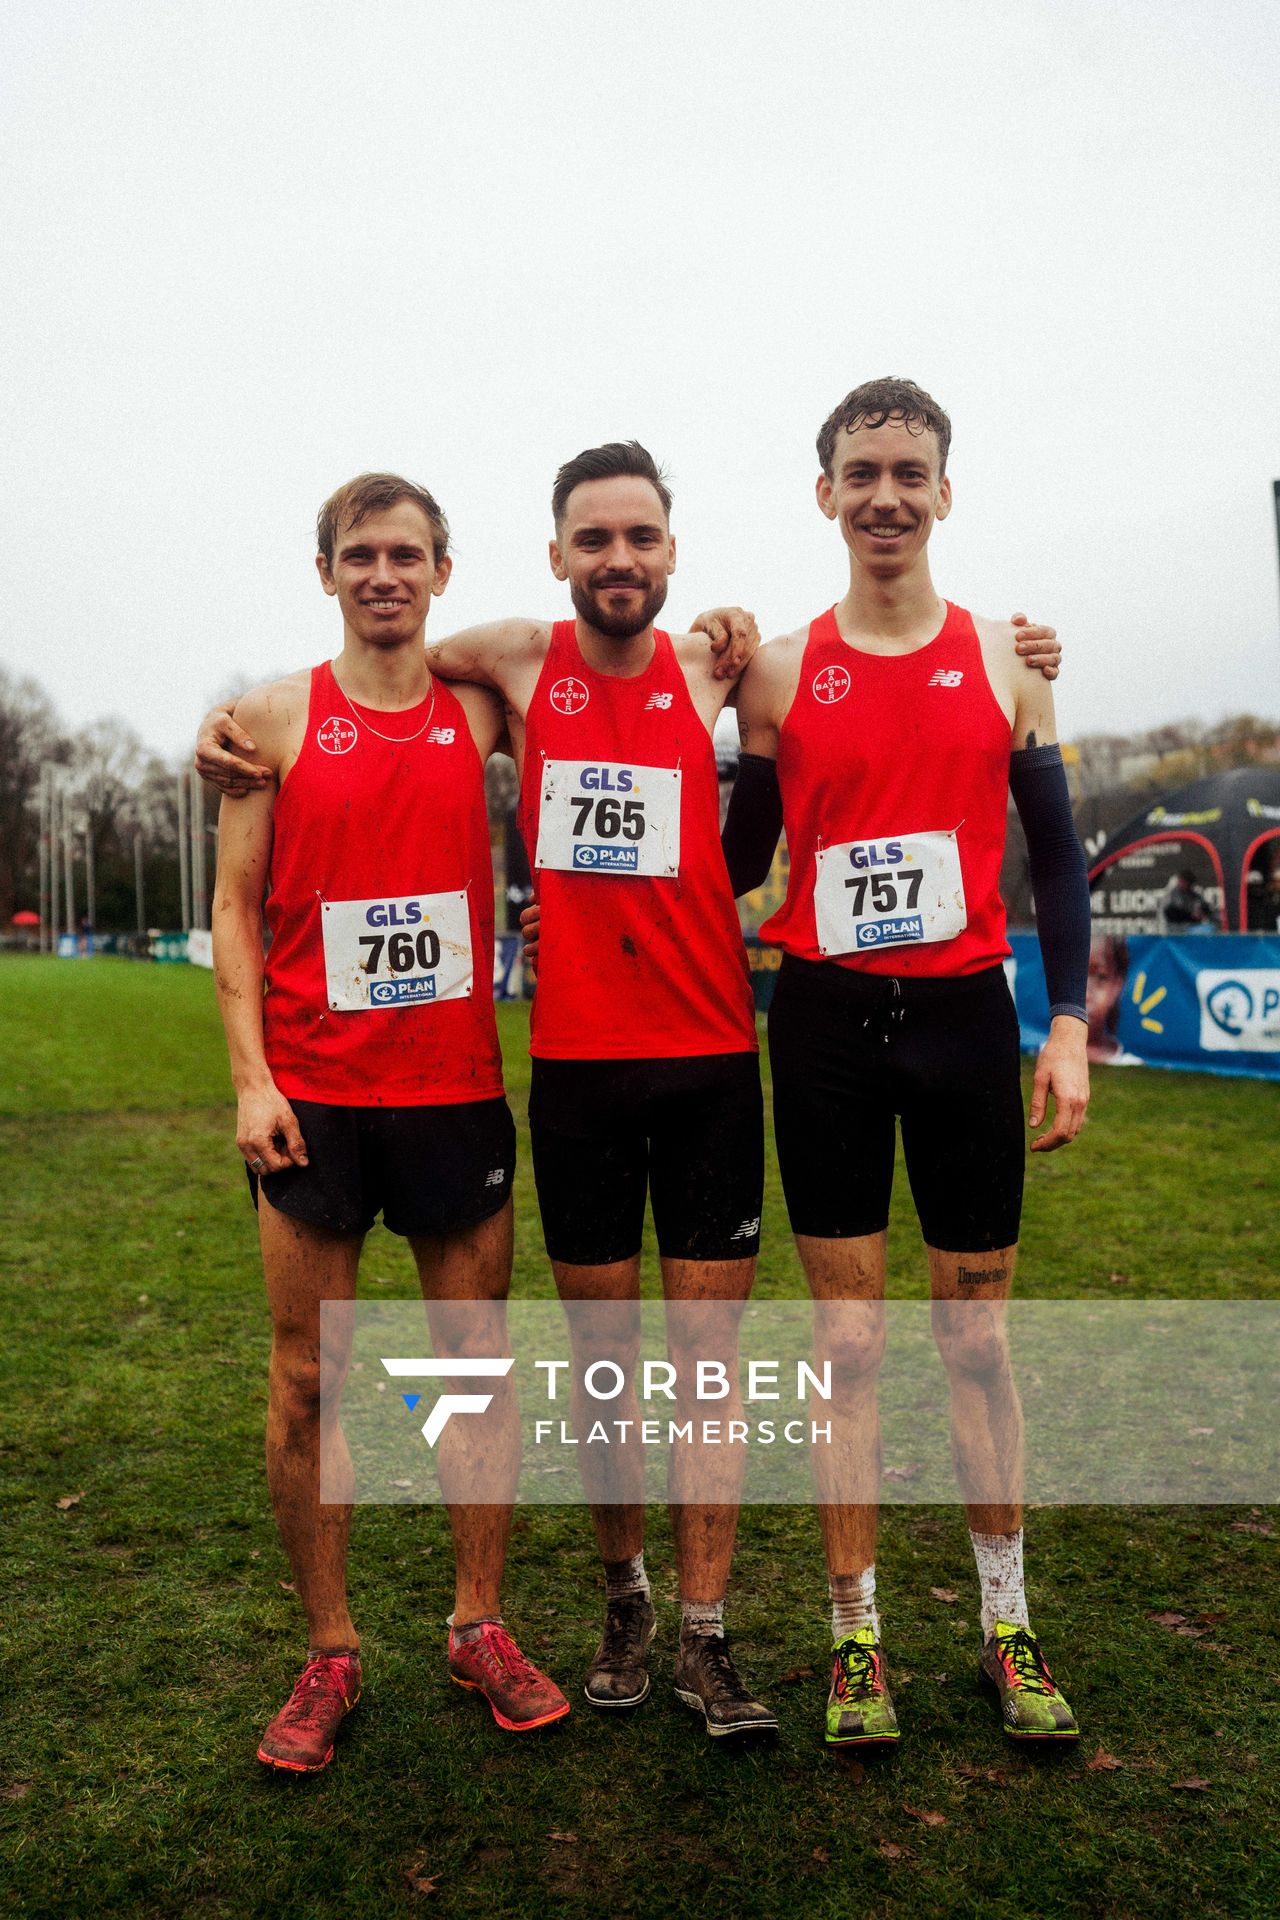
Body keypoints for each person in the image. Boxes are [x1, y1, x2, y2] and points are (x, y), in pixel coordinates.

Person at [721, 378, 1090, 1749]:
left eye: (909, 472)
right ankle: (855, 1638)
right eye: (862, 472)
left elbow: (1057, 860)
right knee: (849, 1345)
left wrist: (1066, 1026)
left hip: (962, 1026)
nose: (886, 495)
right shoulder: (774, 672)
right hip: (825, 1027)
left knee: (976, 1340)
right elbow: (732, 862)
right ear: (824, 493)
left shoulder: (1010, 658)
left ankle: (1005, 1624)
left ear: (944, 491)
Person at [210, 472, 569, 1772]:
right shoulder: (270, 717)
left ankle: (479, 1624)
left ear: (440, 572)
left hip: (453, 1092)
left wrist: (729, 628)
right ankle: (330, 1649)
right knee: (309, 1379)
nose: (382, 574)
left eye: (405, 554)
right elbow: (233, 907)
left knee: (470, 1371)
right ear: (326, 573)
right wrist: (251, 1079)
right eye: (359, 554)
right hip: (314, 1101)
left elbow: (613, 670)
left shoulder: (479, 706)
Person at [1160, 868, 1212, 933]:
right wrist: (1190, 915)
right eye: (1182, 881)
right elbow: (1170, 913)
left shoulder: (1195, 895)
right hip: (1176, 930)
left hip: (1193, 928)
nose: (1185, 884)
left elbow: (1205, 909)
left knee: (1209, 929)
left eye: (1188, 882)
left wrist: (1202, 912)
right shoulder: (1172, 895)